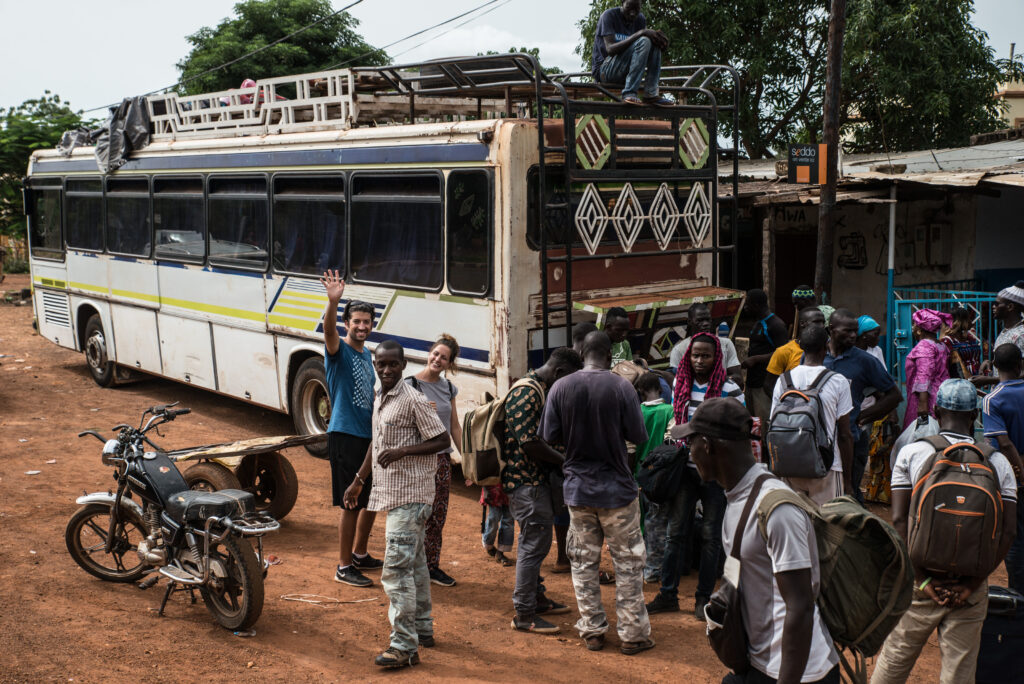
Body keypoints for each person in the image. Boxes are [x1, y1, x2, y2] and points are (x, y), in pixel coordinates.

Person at [681, 398, 841, 683]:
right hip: (761, 660)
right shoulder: (737, 495)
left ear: (707, 445)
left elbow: (801, 605)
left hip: (797, 671)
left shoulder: (777, 509)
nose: (689, 453)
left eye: (690, 443)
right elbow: (739, 564)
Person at [872, 379, 1018, 684]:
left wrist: (923, 580)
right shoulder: (997, 462)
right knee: (959, 671)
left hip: (921, 578)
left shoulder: (913, 453)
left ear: (937, 412)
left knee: (895, 659)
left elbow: (899, 522)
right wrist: (974, 583)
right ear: (975, 414)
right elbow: (1007, 532)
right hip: (970, 583)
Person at [539, 331, 654, 655]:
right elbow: (638, 435)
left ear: (581, 351)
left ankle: (592, 631)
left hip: (578, 491)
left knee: (583, 563)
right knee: (629, 564)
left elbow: (548, 435)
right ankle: (632, 634)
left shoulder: (561, 387)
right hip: (617, 490)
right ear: (609, 356)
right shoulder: (621, 386)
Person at [343, 340, 450, 669]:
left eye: (393, 365)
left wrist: (404, 452)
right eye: (381, 365)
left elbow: (443, 440)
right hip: (394, 495)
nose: (387, 370)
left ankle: (403, 646)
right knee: (415, 567)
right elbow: (378, 440)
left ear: (404, 365)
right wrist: (359, 480)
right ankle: (422, 629)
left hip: (412, 498)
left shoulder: (413, 399)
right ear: (375, 365)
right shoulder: (381, 397)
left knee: (395, 573)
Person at [648, 332, 743, 619]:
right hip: (684, 472)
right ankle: (667, 593)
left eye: (706, 356)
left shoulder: (730, 389)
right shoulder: (680, 384)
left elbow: (742, 428)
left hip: (715, 475)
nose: (699, 360)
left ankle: (703, 598)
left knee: (711, 537)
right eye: (695, 355)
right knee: (676, 533)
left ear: (718, 359)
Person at [503, 348, 583, 634]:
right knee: (533, 547)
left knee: (535, 543)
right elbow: (529, 443)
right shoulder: (527, 392)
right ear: (560, 372)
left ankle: (536, 599)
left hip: (534, 483)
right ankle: (524, 614)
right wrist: (565, 462)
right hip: (526, 484)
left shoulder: (538, 388)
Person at [320, 270, 382, 588]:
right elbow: (328, 331)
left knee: (370, 500)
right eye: (356, 321)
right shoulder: (338, 351)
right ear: (347, 323)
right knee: (351, 502)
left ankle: (359, 554)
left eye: (366, 322)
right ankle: (344, 566)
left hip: (367, 436)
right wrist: (333, 302)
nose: (361, 326)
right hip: (345, 434)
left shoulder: (367, 355)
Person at [770, 325, 855, 504]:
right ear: (826, 347)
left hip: (789, 465)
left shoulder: (783, 380)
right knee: (827, 527)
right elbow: (845, 435)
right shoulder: (838, 381)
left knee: (796, 524)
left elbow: (772, 424)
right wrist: (848, 481)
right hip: (827, 466)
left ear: (800, 346)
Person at [824, 308, 902, 504]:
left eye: (855, 331)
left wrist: (862, 416)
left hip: (851, 440)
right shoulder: (816, 357)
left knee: (848, 496)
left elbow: (893, 396)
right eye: (847, 331)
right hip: (821, 441)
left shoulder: (866, 360)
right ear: (831, 330)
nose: (853, 335)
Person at [404, 334, 463, 588]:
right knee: (413, 516)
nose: (438, 359)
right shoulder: (410, 385)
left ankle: (430, 567)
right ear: (429, 353)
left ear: (450, 364)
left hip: (441, 461)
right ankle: (408, 568)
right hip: (417, 459)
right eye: (436, 354)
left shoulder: (448, 388)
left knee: (437, 516)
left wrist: (466, 460)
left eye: (444, 358)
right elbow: (399, 421)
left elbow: (455, 426)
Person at [983, 344, 1024, 592]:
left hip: (1014, 474)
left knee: (1014, 534)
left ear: (995, 367)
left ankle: (1018, 593)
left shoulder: (992, 400)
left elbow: (1005, 443)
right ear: (1020, 365)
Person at [591, 0, 672, 106]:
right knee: (645, 40)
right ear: (622, 3)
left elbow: (642, 50)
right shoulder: (609, 16)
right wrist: (640, 33)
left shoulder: (640, 19)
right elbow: (610, 49)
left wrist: (661, 44)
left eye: (636, 9)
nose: (633, 13)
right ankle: (629, 93)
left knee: (653, 41)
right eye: (629, 8)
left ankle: (651, 94)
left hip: (625, 73)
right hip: (604, 72)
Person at [635, 372, 674, 584]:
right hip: (659, 478)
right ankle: (652, 569)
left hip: (637, 476)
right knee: (657, 524)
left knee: (639, 523)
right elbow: (671, 442)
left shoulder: (636, 412)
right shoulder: (669, 411)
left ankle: (639, 565)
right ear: (660, 390)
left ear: (640, 392)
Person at [741, 289, 789, 424]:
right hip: (752, 382)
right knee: (753, 424)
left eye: (747, 304)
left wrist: (756, 359)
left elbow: (784, 353)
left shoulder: (776, 325)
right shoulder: (758, 323)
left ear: (756, 305)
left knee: (764, 423)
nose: (745, 308)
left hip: (764, 384)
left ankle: (767, 446)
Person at [669, 303, 743, 386]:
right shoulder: (679, 350)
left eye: (708, 320)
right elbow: (676, 380)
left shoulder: (726, 344)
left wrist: (715, 384)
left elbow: (738, 378)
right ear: (689, 322)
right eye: (700, 320)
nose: (705, 324)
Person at [902, 309, 951, 431]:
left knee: (922, 434)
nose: (912, 328)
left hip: (927, 400)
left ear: (919, 329)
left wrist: (922, 405)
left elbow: (924, 375)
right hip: (941, 395)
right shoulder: (941, 345)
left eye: (914, 324)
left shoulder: (925, 346)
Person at [764, 306, 828, 396]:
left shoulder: (827, 350)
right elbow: (769, 385)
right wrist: (785, 405)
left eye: (823, 322)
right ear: (802, 323)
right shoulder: (784, 352)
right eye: (817, 322)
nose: (822, 326)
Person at [975, 281, 1024, 388]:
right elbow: (1009, 364)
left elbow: (1022, 373)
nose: (993, 307)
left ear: (1010, 307)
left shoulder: (1021, 335)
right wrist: (991, 363)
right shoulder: (1006, 330)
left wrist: (989, 380)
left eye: (997, 304)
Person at [941, 307, 981, 379]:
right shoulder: (947, 342)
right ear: (960, 322)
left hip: (978, 378)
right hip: (962, 382)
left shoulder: (969, 338)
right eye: (968, 319)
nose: (971, 321)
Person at [480, 484, 515, 567]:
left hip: (512, 486)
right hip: (494, 487)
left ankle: (500, 552)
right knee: (494, 518)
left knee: (508, 521)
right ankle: (488, 545)